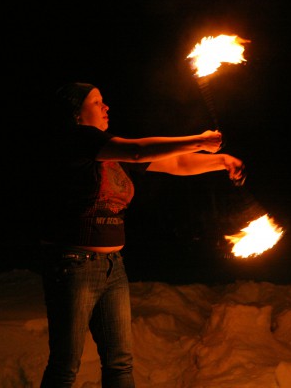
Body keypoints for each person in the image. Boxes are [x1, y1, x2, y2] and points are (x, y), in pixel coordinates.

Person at [37, 82, 245, 388]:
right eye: (96, 102)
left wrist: (221, 160)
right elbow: (137, 150)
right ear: (76, 113)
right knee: (65, 366)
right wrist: (198, 140)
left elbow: (176, 162)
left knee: (120, 364)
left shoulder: (110, 150)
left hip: (113, 267)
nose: (106, 107)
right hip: (74, 265)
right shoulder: (75, 139)